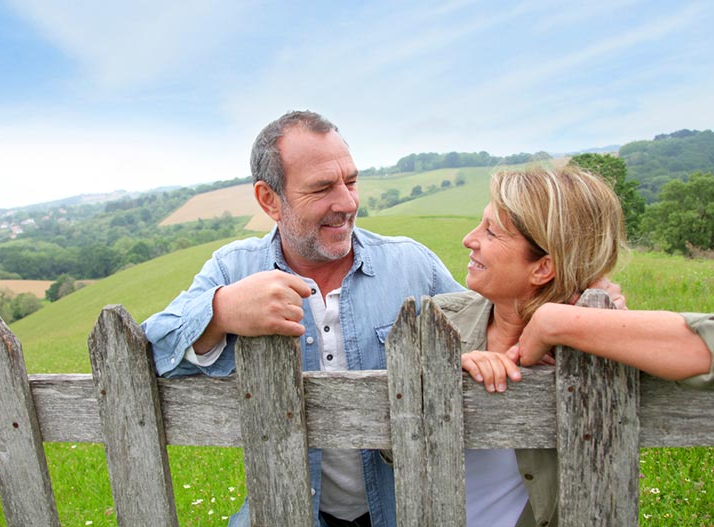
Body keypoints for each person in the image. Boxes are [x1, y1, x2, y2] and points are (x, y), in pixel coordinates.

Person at [141, 110, 466, 527]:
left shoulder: (411, 263)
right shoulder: (233, 270)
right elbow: (153, 352)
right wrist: (222, 311)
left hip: (407, 512)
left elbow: (486, 327)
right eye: (322, 188)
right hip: (286, 512)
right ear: (269, 200)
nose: (347, 203)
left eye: (350, 181)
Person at [430, 165, 714, 527]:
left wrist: (560, 322)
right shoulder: (442, 323)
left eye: (491, 231)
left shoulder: (599, 343)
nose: (469, 239)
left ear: (543, 267)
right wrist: (451, 377)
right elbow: (390, 450)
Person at [508, 304, 714, 388]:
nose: (473, 240)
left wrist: (554, 321)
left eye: (493, 232)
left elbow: (702, 351)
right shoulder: (477, 309)